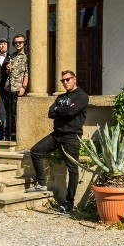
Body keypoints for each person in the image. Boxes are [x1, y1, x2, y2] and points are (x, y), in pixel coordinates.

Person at [29, 70, 89, 213]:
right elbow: (51, 113)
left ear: (75, 79)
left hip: (71, 136)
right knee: (35, 151)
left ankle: (69, 202)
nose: (65, 82)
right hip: (56, 135)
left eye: (68, 79)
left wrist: (60, 110)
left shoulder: (82, 96)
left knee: (73, 170)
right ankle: (41, 183)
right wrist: (64, 110)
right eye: (63, 80)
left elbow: (71, 113)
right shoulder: (61, 97)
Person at [1, 34, 28, 140]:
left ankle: (19, 135)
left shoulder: (27, 56)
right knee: (10, 112)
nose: (17, 44)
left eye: (20, 42)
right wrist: (8, 69)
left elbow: (27, 73)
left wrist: (24, 87)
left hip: (19, 88)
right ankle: (10, 134)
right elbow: (8, 73)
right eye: (15, 42)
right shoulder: (11, 56)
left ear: (24, 43)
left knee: (19, 113)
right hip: (10, 88)